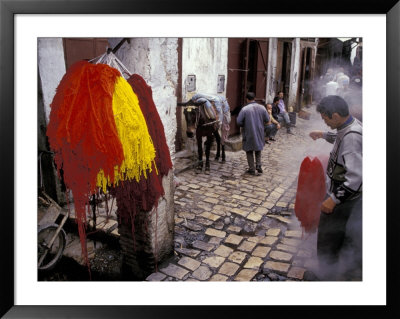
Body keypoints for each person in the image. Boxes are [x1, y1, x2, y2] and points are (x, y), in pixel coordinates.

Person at [309, 95, 362, 281]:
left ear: (336, 115)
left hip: (344, 200)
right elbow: (339, 136)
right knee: (333, 237)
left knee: (328, 238)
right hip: (339, 195)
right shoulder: (347, 127)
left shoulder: (353, 138)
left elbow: (356, 179)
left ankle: (325, 277)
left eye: (325, 118)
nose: (324, 121)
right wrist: (323, 135)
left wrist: (334, 199)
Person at [237, 92, 269, 176]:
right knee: (258, 148)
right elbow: (267, 119)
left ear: (247, 99)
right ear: (254, 98)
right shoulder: (262, 108)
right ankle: (258, 165)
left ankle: (251, 169)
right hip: (259, 131)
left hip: (249, 131)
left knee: (249, 150)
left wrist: (245, 124)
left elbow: (239, 121)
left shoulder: (245, 109)